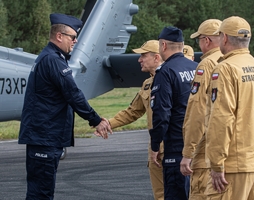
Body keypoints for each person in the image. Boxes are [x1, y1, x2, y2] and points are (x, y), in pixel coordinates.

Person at [18, 13, 112, 199]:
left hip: (44, 136)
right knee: (41, 193)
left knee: (40, 191)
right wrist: (95, 120)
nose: (75, 41)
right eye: (73, 37)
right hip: (45, 137)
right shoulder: (53, 60)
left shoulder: (49, 57)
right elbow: (73, 94)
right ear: (59, 36)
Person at [204, 16, 254, 199]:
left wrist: (216, 163)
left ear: (225, 38)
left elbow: (222, 118)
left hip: (235, 165)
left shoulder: (225, 69)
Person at [108, 40, 165, 200]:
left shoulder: (171, 78)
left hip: (174, 144)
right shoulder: (147, 84)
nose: (139, 60)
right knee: (160, 195)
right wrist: (107, 124)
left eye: (143, 55)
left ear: (157, 57)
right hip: (155, 147)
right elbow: (133, 111)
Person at [149, 26, 198, 200]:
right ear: (182, 45)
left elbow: (162, 113)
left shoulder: (166, 72)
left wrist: (155, 145)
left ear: (163, 46)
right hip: (198, 146)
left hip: (176, 146)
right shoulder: (198, 68)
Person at [180, 19, 222, 200]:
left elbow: (197, 111)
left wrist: (188, 152)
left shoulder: (206, 65)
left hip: (207, 149)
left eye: (199, 40)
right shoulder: (236, 62)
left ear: (206, 40)